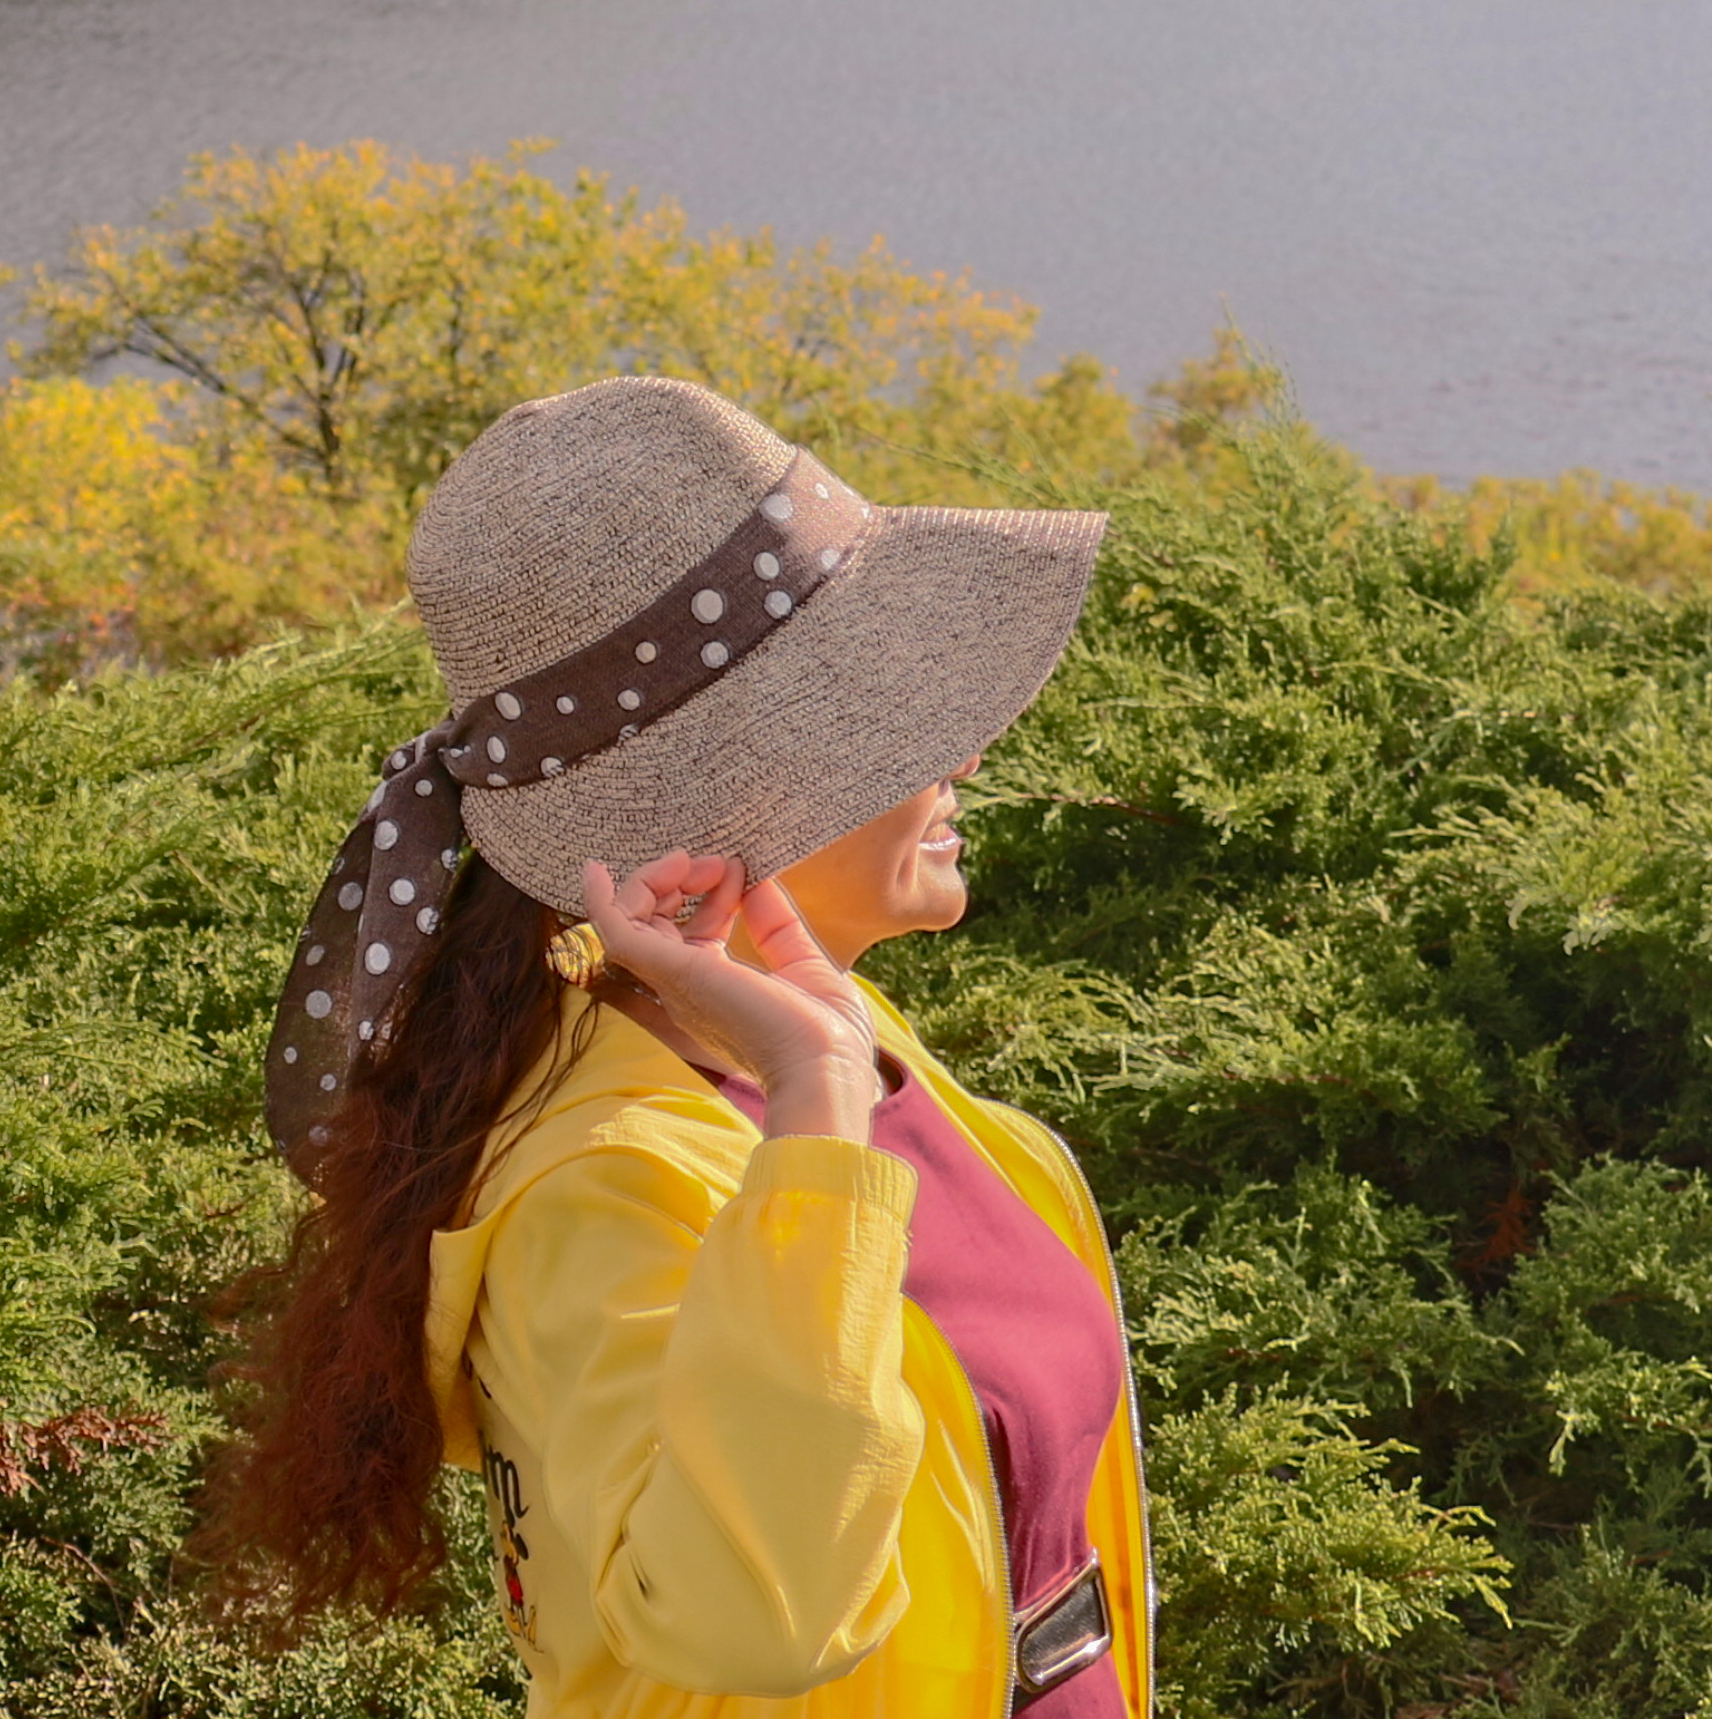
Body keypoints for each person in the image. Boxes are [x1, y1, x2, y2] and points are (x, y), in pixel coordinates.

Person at [205, 374, 1142, 1718]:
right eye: (897, 717)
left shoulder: (833, 1034)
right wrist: (818, 1110)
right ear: (733, 797)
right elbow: (748, 1630)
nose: (969, 760)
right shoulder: (610, 1179)